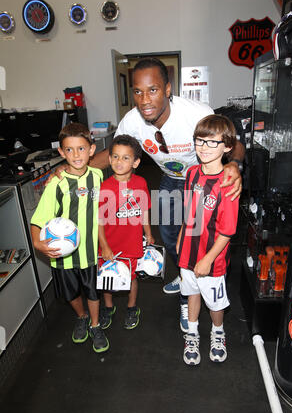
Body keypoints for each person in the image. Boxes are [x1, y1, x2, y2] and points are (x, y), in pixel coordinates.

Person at [51, 57, 245, 330]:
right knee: (169, 235)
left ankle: (191, 289)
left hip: (199, 181)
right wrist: (70, 169)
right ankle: (184, 273)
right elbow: (111, 154)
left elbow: (232, 143)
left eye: (152, 90)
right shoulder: (132, 121)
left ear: (167, 90)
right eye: (138, 92)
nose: (144, 100)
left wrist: (235, 165)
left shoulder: (195, 113)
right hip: (169, 179)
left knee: (197, 234)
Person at [30, 122, 109, 354]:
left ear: (92, 150)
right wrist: (36, 242)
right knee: (71, 293)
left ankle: (95, 325)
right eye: (70, 150)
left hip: (89, 251)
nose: (76, 155)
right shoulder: (57, 182)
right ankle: (82, 317)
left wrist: (104, 242)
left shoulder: (97, 175)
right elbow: (38, 218)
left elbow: (101, 211)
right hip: (62, 255)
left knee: (93, 291)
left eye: (82, 149)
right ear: (61, 152)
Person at [176, 114, 239, 366]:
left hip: (212, 260)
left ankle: (217, 332)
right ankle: (191, 334)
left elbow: (226, 232)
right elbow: (189, 211)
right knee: (191, 293)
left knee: (214, 302)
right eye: (199, 140)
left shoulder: (228, 183)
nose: (204, 147)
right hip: (187, 253)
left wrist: (207, 259)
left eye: (212, 142)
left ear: (227, 146)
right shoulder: (191, 173)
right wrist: (181, 236)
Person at [98, 134, 154, 330]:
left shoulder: (141, 184)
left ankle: (131, 307)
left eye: (125, 157)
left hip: (132, 242)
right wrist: (104, 245)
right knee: (107, 276)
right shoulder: (105, 187)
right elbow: (99, 221)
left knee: (131, 277)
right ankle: (108, 307)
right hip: (109, 243)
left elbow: (145, 210)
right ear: (109, 159)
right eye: (115, 156)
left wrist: (149, 233)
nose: (119, 161)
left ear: (136, 162)